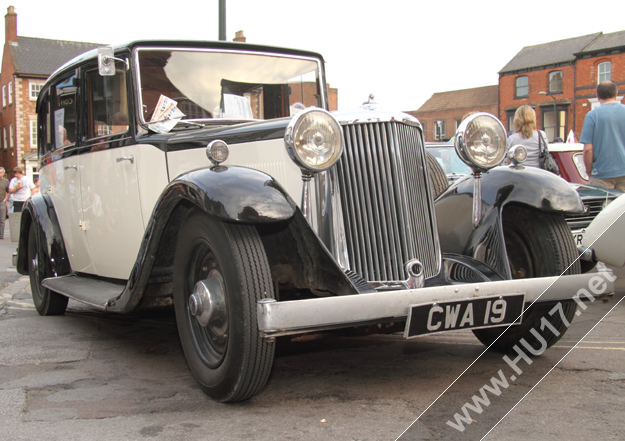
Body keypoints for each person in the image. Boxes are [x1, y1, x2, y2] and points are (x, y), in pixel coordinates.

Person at [580, 81, 625, 191]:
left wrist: (589, 171)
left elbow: (588, 150)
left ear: (597, 95)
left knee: (601, 207)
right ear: (616, 93)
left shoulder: (592, 115)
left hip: (601, 173)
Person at [0, 167, 9, 239]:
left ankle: (1, 235)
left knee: (2, 219)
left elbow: (8, 191)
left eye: (1, 172)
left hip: (2, 202)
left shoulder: (6, 181)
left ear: (3, 173)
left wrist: (5, 199)